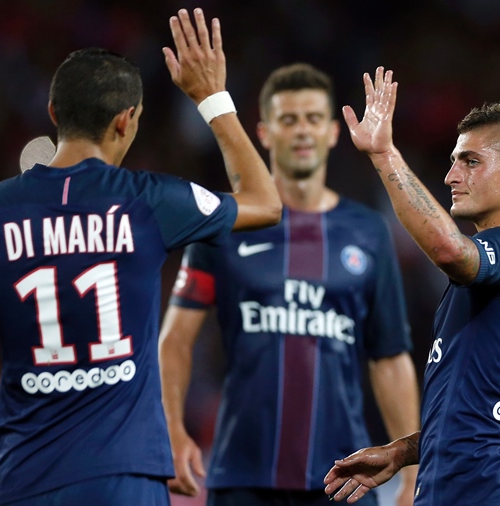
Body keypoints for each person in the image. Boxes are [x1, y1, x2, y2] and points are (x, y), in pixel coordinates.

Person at [0, 8, 281, 506]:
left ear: (53, 112)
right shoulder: (149, 201)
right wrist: (212, 98)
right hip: (125, 475)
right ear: (127, 120)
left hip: (27, 477)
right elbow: (265, 202)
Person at [159, 63, 421, 506]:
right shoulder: (224, 225)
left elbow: (390, 357)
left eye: (313, 119)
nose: (302, 131)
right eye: (289, 120)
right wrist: (170, 430)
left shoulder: (368, 231)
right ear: (263, 133)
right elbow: (174, 342)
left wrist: (411, 472)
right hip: (241, 475)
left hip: (346, 478)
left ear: (334, 132)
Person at [323, 68, 500, 506]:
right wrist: (403, 451)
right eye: (454, 160)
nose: (451, 176)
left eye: (471, 161)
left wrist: (384, 155)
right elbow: (487, 414)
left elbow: (449, 250)